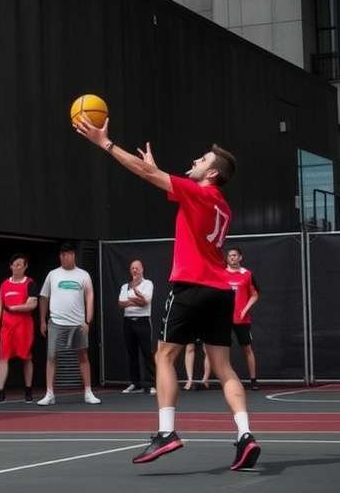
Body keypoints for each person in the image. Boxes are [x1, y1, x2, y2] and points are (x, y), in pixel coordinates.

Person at [74, 116, 260, 470]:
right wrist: (157, 171)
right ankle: (245, 436)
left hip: (191, 286)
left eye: (202, 160)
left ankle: (166, 432)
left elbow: (147, 178)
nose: (194, 161)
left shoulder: (200, 192)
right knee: (223, 367)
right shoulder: (221, 203)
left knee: (163, 357)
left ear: (212, 174)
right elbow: (168, 186)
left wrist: (105, 143)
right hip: (221, 291)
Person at [37, 242, 101, 406]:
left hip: (77, 323)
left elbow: (90, 296)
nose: (66, 257)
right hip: (56, 322)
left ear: (74, 255)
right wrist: (42, 321)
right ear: (60, 256)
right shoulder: (52, 274)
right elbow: (44, 297)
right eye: (63, 254)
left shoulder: (83, 275)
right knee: (51, 356)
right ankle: (49, 394)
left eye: (69, 254)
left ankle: (88, 392)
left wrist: (88, 321)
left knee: (83, 356)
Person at [0, 253, 38, 403]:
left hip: (24, 326)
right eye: (15, 264)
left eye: (20, 264)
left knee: (27, 357)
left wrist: (15, 307)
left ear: (25, 267)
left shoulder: (30, 283)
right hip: (7, 327)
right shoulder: (4, 284)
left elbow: (32, 304)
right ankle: (0, 392)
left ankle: (28, 391)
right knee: (3, 358)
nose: (17, 267)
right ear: (10, 266)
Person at [118, 259, 155, 395]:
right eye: (132, 268)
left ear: (142, 269)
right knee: (132, 353)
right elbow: (121, 304)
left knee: (147, 352)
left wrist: (133, 300)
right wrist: (136, 300)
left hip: (143, 321)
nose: (135, 270)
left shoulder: (148, 284)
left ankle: (151, 384)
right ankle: (135, 383)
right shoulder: (124, 286)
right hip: (128, 322)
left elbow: (145, 302)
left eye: (137, 268)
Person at [225, 247, 260, 390]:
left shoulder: (247, 274)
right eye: (229, 256)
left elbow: (255, 295)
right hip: (224, 319)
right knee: (222, 350)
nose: (232, 258)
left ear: (240, 257)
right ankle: (226, 380)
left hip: (242, 319)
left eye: (234, 255)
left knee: (247, 349)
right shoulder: (221, 274)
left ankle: (253, 380)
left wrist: (245, 309)